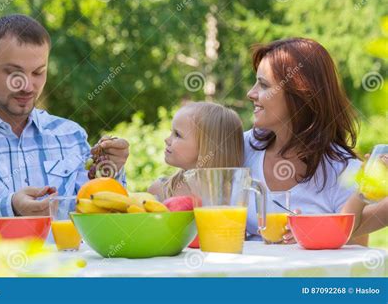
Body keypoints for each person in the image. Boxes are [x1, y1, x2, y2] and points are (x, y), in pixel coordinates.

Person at [0, 14, 129, 242]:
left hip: (67, 276)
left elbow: (101, 219)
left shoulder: (70, 135)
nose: (27, 86)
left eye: (38, 72)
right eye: (13, 72)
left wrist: (110, 171)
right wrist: (10, 210)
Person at [244, 37, 367, 244]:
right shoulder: (241, 147)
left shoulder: (345, 172)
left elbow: (355, 265)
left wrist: (317, 234)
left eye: (264, 85)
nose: (250, 93)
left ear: (300, 94)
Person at [148, 101, 243, 200]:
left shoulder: (235, 193)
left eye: (178, 135)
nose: (167, 140)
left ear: (207, 147)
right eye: (171, 132)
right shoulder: (161, 190)